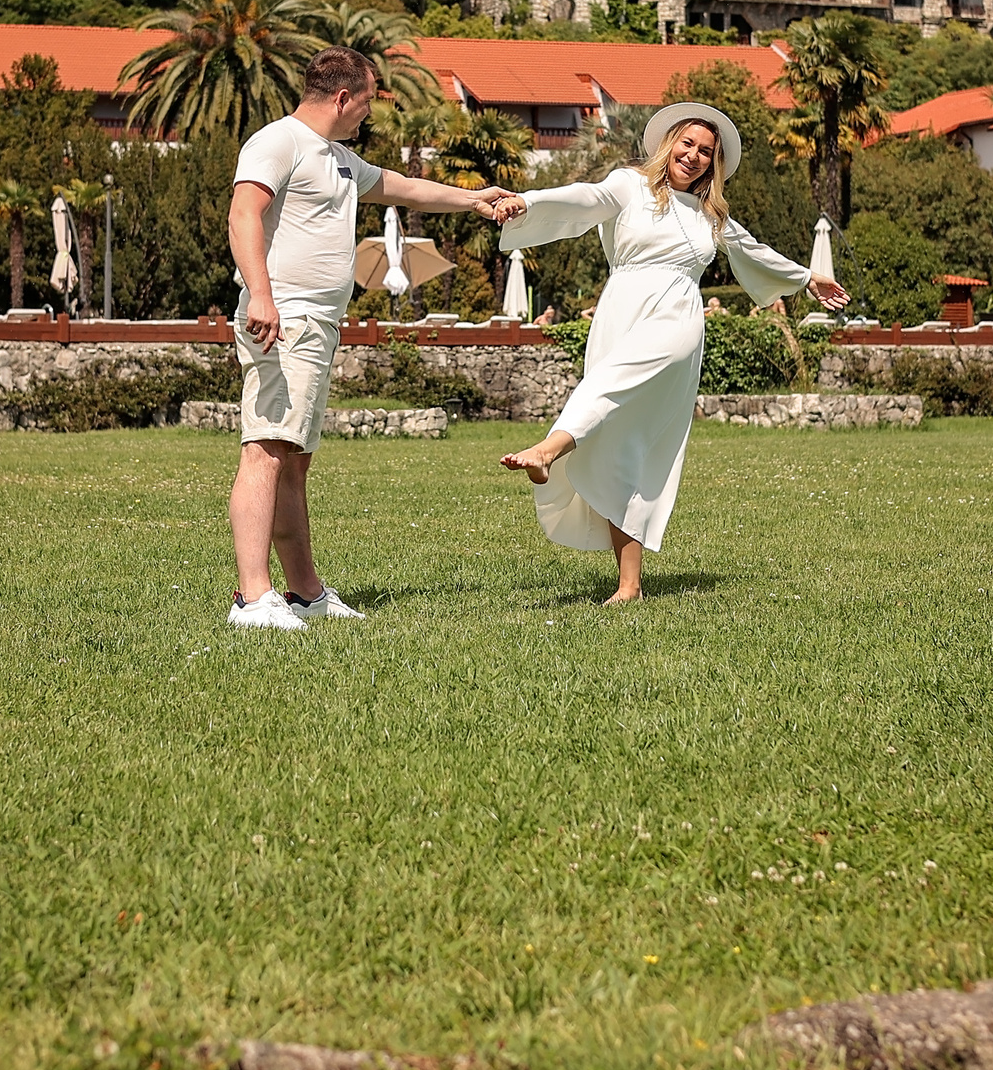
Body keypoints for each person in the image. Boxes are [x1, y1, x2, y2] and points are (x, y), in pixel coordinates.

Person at [226, 47, 527, 632]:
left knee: (293, 460)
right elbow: (243, 215)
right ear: (343, 97)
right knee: (265, 447)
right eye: (367, 101)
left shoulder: (336, 158)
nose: (370, 114)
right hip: (283, 317)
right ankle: (252, 597)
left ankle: (305, 593)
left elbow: (401, 187)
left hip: (315, 326)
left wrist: (472, 198)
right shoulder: (277, 142)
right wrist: (262, 296)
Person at [497, 103, 849, 604]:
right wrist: (526, 203)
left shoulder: (712, 215)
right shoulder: (628, 185)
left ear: (714, 163)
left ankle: (548, 450)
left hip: (676, 317)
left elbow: (754, 251)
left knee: (604, 386)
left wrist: (807, 277)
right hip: (620, 311)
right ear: (669, 143)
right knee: (623, 446)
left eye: (706, 152)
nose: (695, 156)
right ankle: (629, 587)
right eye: (688, 144)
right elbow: (582, 199)